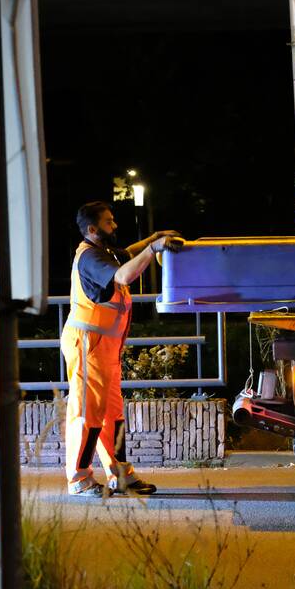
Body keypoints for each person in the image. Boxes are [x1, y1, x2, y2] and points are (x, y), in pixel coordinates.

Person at [61, 201, 183, 497]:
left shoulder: (103, 251)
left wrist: (153, 238)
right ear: (93, 229)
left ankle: (119, 475)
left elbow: (127, 254)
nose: (114, 225)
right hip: (88, 345)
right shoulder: (90, 257)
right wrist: (153, 249)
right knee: (87, 414)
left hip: (103, 346)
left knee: (112, 414)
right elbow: (124, 275)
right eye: (108, 222)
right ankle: (79, 479)